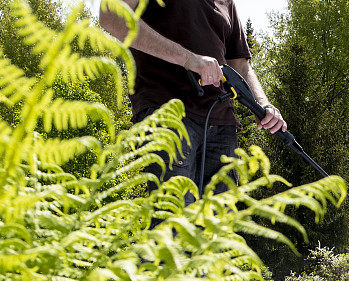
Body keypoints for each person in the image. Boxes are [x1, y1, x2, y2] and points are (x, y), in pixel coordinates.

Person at [100, 0, 286, 197]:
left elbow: (239, 63)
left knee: (218, 224)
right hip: (168, 114)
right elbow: (111, 16)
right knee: (173, 222)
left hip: (223, 127)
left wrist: (262, 103)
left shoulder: (227, 3)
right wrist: (188, 59)